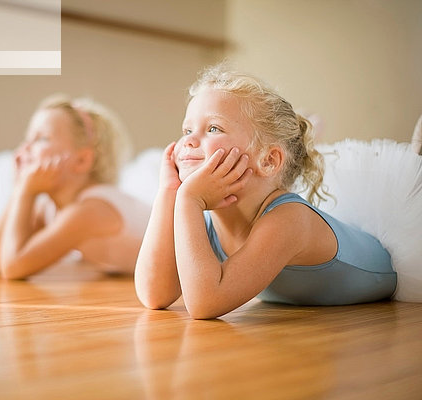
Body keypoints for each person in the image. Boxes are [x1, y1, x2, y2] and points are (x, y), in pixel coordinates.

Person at [135, 64, 402, 319]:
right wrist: (168, 192)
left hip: (385, 277)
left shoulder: (290, 219)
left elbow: (205, 303)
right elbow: (154, 294)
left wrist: (188, 200)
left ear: (268, 160)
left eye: (213, 128)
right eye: (187, 129)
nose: (189, 140)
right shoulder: (204, 219)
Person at [0, 94, 150, 279]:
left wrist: (24, 193)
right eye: (27, 139)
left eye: (42, 138)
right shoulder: (49, 207)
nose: (25, 148)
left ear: (82, 160)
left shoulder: (93, 209)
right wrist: (19, 190)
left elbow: (13, 267)